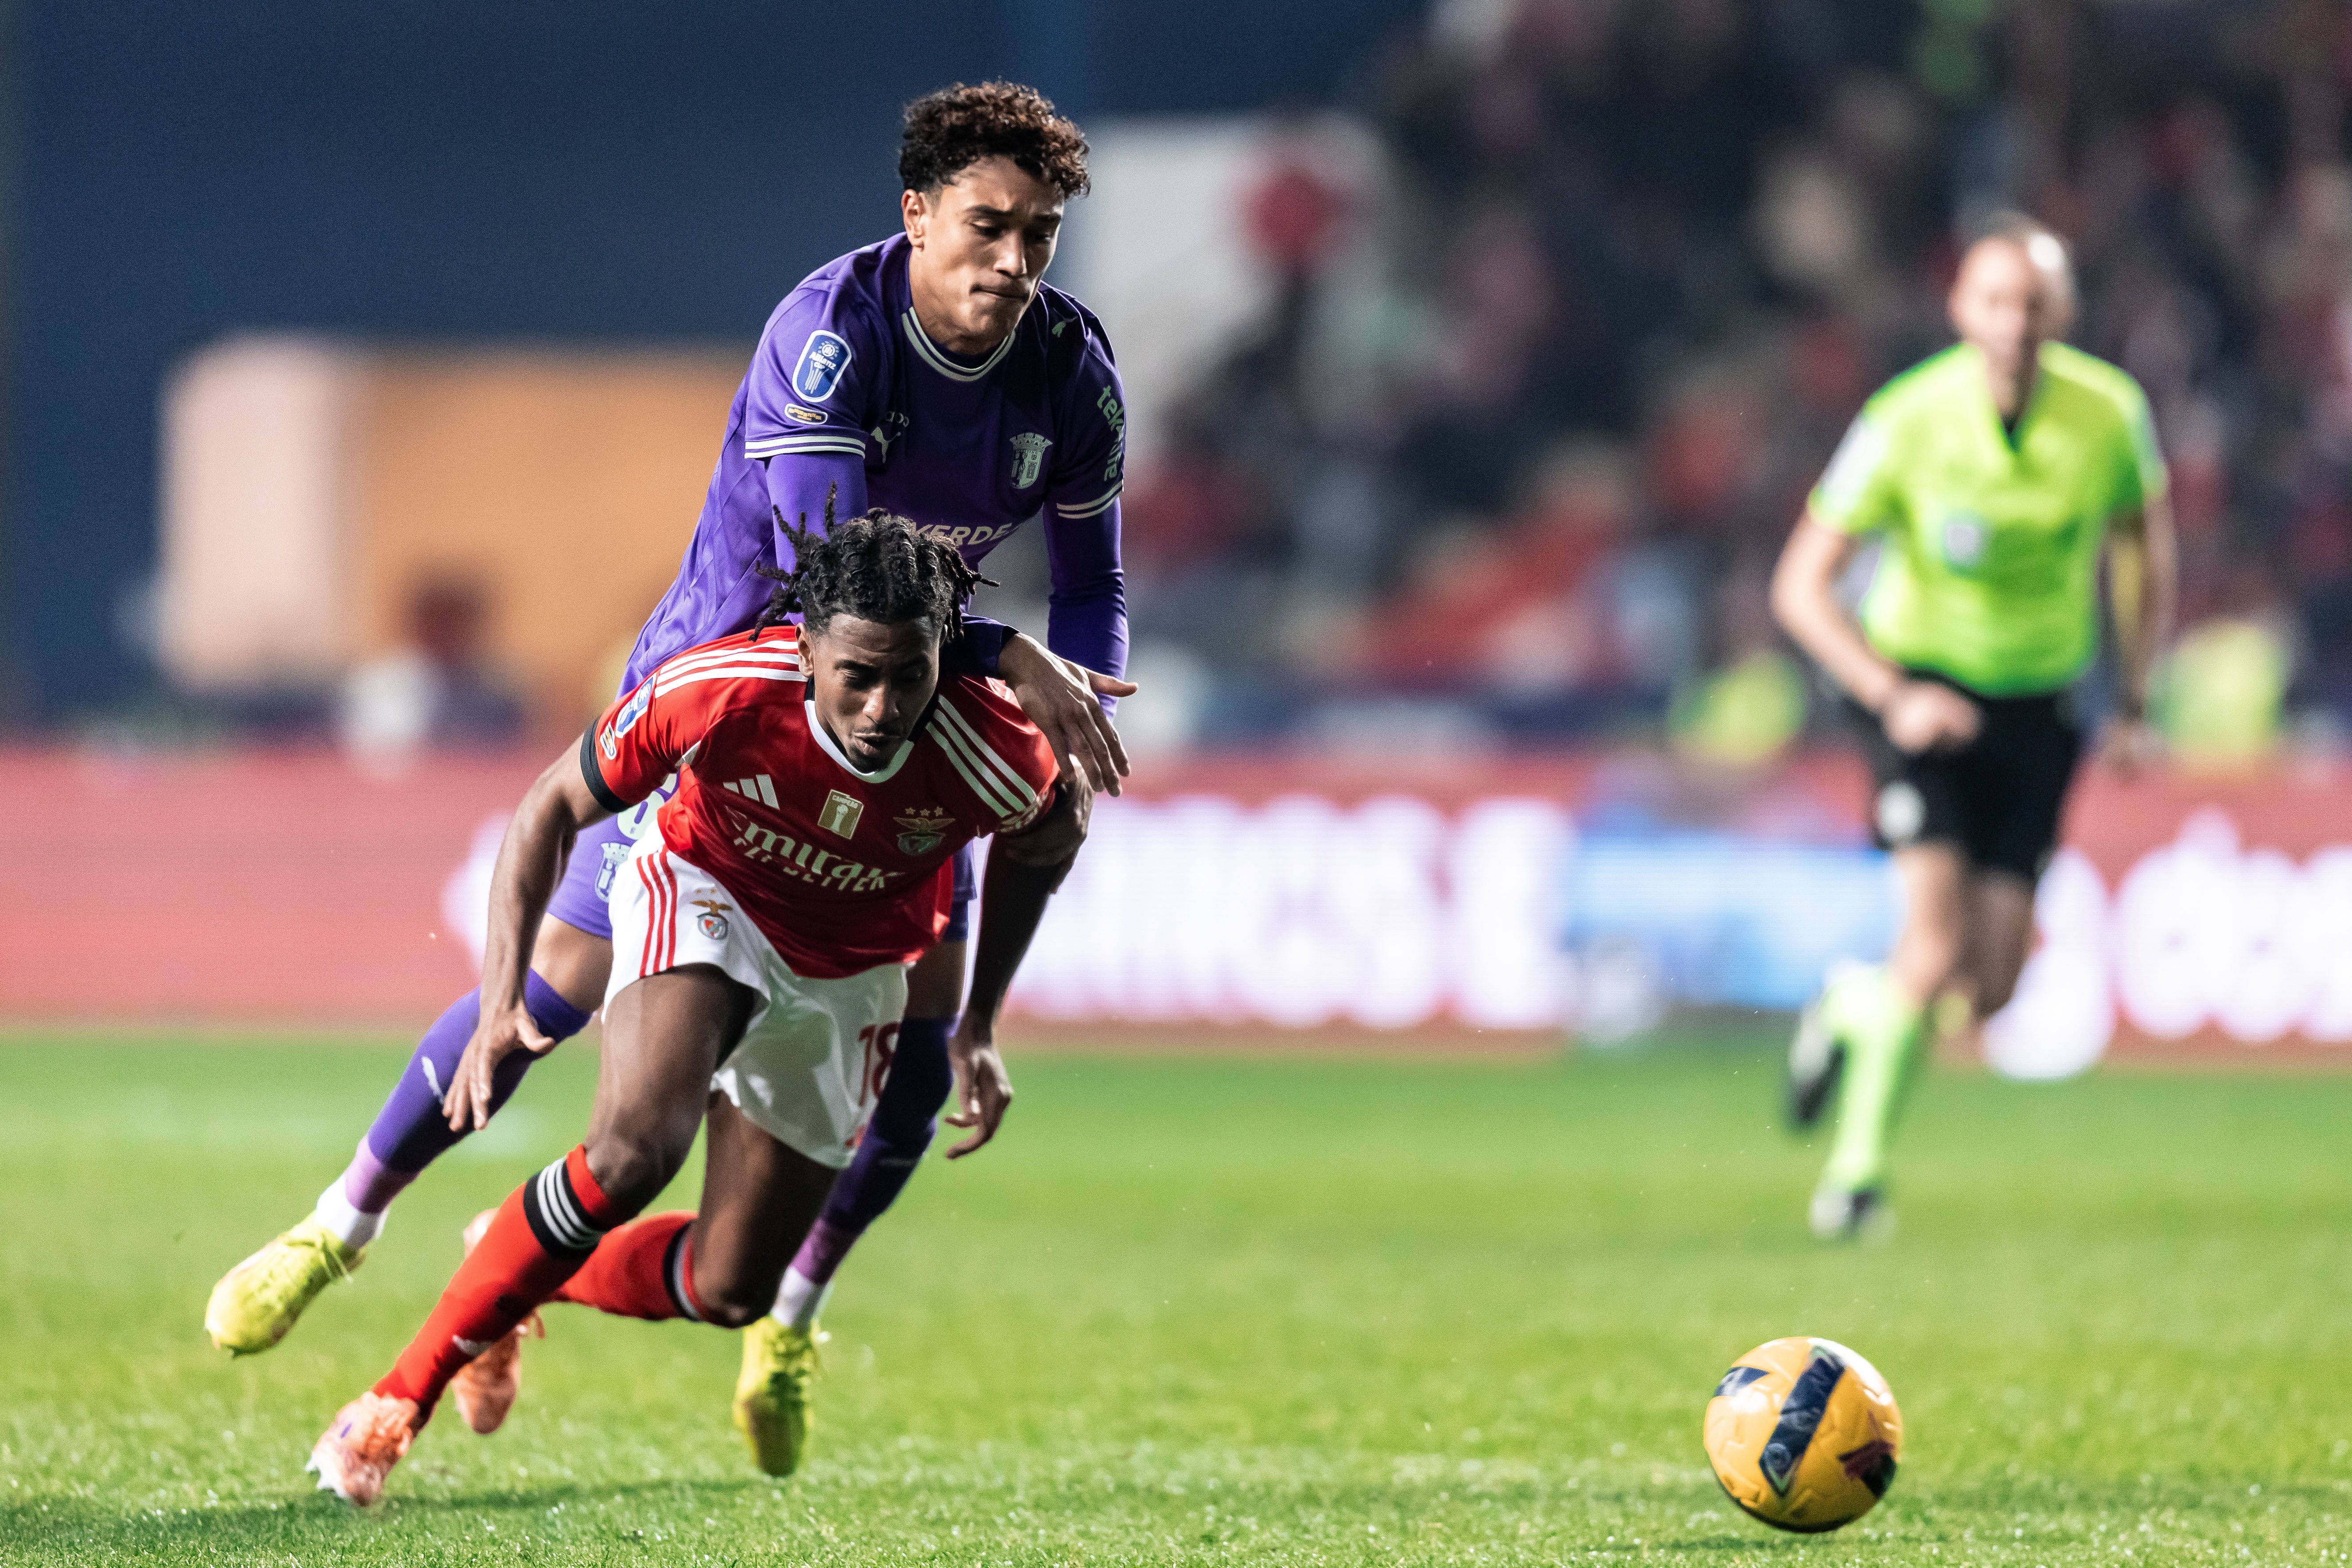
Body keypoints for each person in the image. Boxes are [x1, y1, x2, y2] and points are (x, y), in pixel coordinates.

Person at [207, 80, 1136, 1463]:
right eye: (987, 228)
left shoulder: (1071, 370)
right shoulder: (831, 337)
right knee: (546, 995)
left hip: (905, 705)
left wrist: (1077, 700)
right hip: (742, 687)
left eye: (1041, 237)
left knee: (925, 1042)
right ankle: (340, 1222)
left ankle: (783, 1307)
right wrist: (1007, 660)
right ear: (917, 213)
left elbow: (1095, 584)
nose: (1013, 263)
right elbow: (833, 579)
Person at [307, 513, 1075, 1505]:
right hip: (705, 893)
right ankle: (391, 1405)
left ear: (943, 660)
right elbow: (548, 808)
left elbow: (1040, 850)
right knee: (635, 1151)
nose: (883, 707)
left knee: (731, 1289)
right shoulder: (721, 688)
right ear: (807, 648)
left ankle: (510, 1262)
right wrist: (500, 1000)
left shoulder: (998, 748)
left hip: (848, 973)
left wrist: (979, 1024)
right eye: (858, 676)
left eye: (910, 676)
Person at [1771, 213, 2175, 1240]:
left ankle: (1852, 1011)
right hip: (1925, 696)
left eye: (2033, 303)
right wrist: (1887, 690)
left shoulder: (2109, 416)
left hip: (2040, 707)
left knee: (1990, 986)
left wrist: (2132, 698)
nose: (2014, 322)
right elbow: (1800, 587)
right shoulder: (1905, 418)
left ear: (2063, 314)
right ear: (1959, 310)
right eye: (1994, 301)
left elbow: (2143, 549)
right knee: (1934, 937)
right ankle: (1855, 1179)